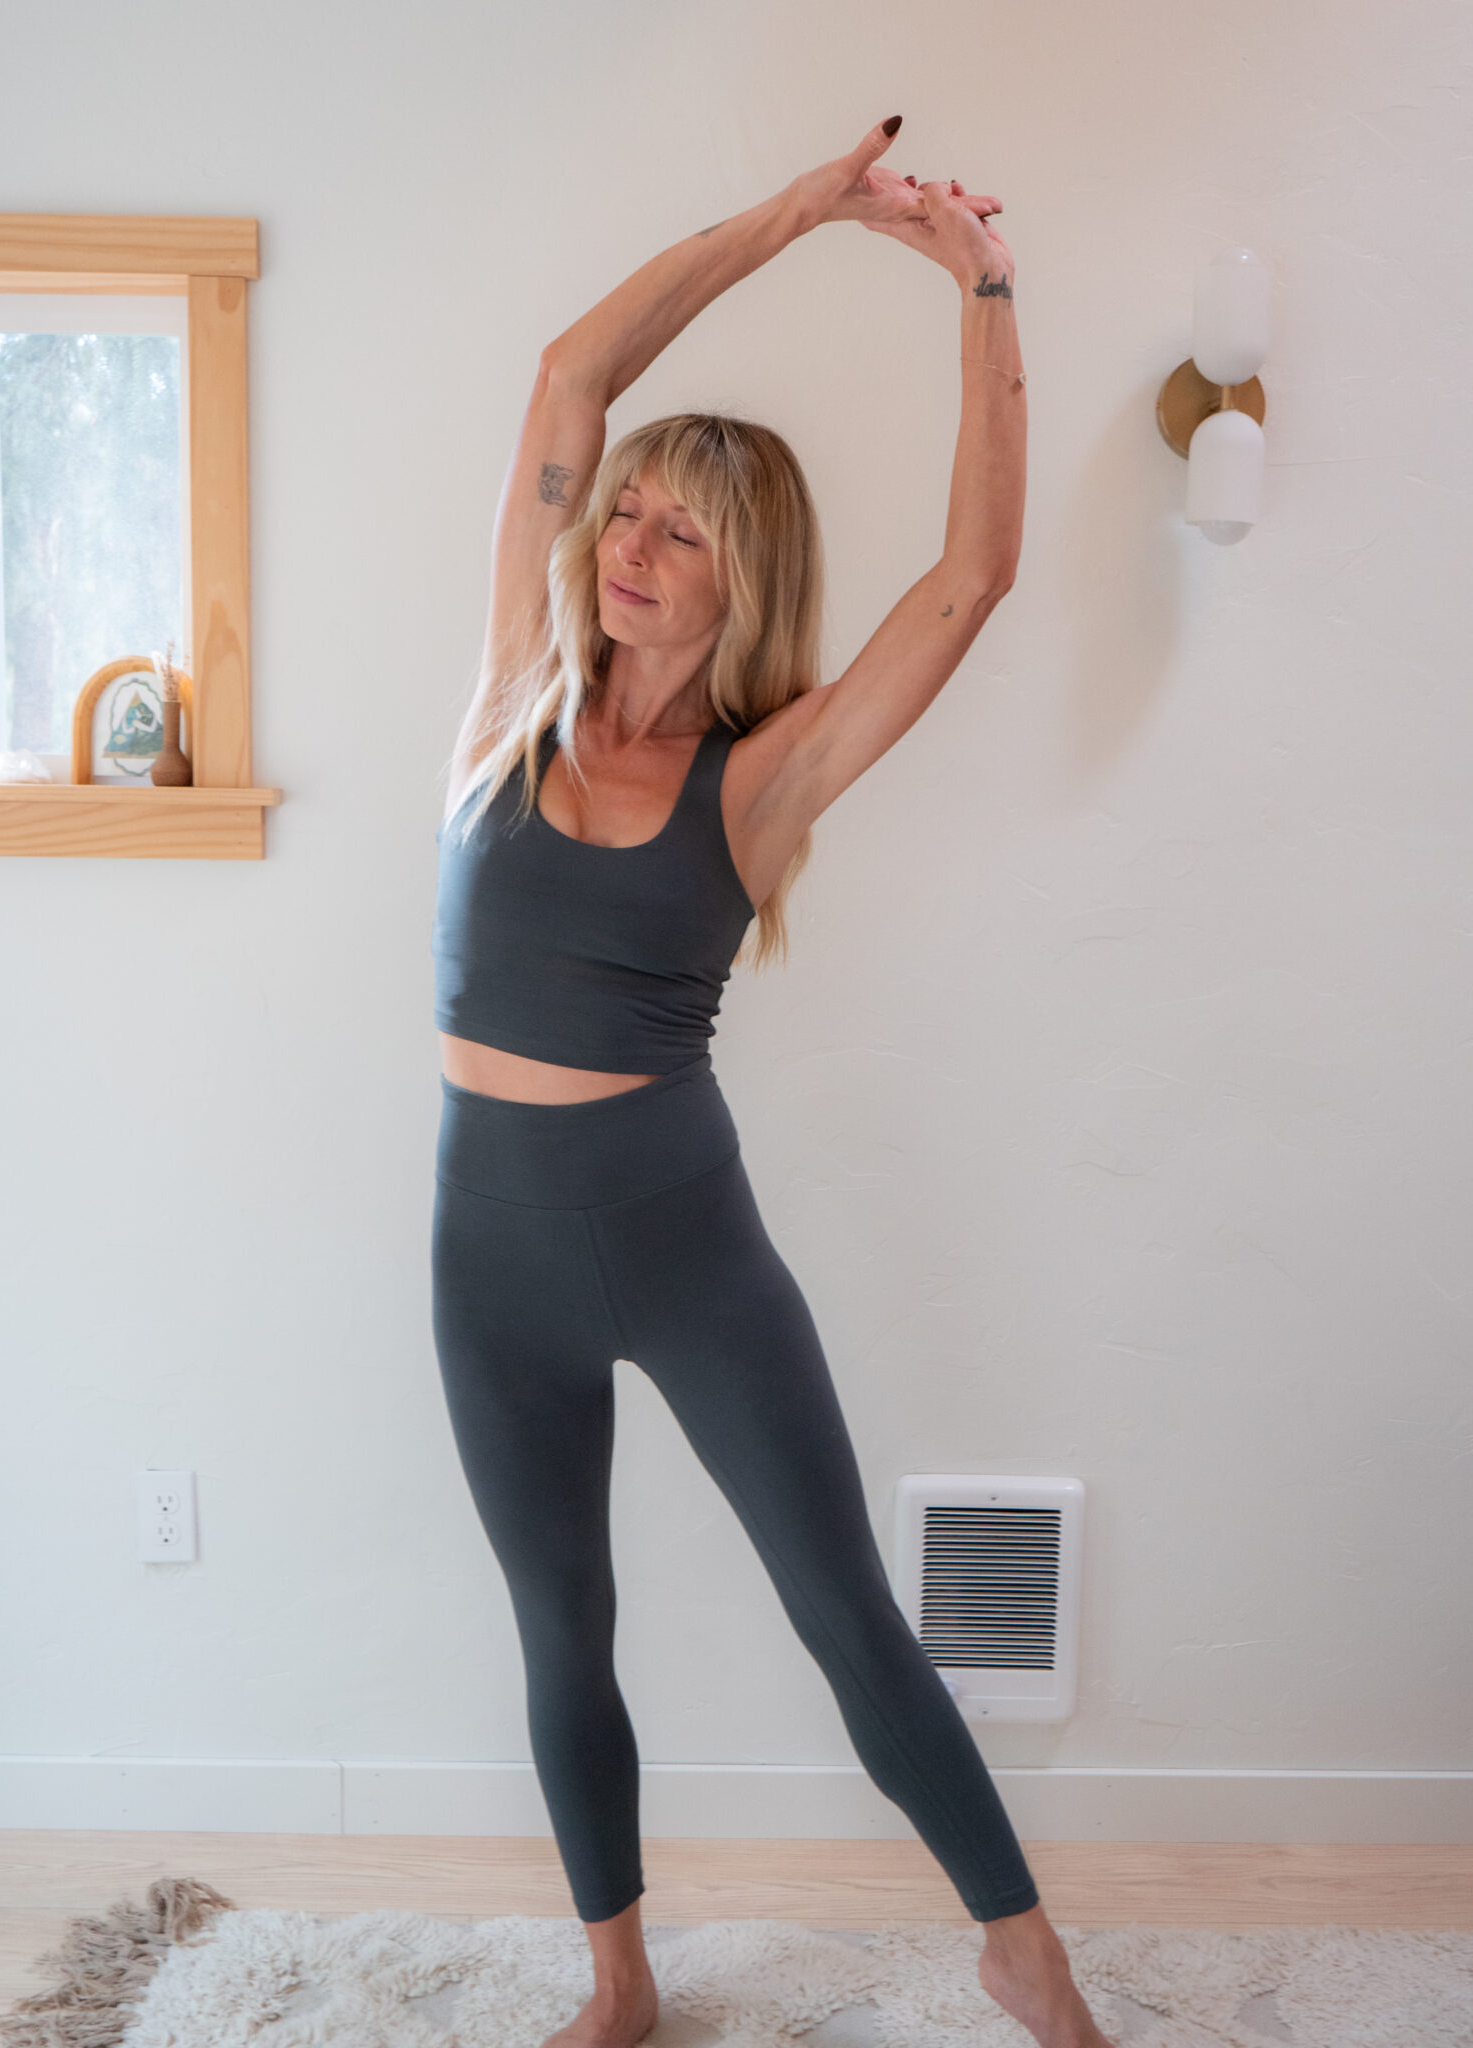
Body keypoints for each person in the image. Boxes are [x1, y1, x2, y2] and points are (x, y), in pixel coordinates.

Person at [430, 116, 1115, 2048]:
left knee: (843, 1616)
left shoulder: (765, 774)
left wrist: (982, 291)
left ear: (744, 582)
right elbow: (571, 371)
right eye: (623, 513)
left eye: (681, 530)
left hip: (681, 1239)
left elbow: (971, 579)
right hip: (484, 1251)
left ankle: (1023, 1953)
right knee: (561, 1623)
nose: (629, 548)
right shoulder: (506, 698)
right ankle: (621, 1981)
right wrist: (799, 215)